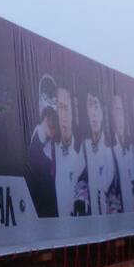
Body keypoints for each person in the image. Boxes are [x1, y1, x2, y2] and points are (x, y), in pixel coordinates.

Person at [82, 87, 115, 216]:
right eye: (90, 106)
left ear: (102, 112)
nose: (93, 113)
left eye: (96, 106)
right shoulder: (84, 148)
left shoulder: (111, 151)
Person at [54, 86, 84, 217]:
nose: (63, 115)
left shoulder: (83, 153)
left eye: (66, 108)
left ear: (73, 112)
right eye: (60, 107)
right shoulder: (51, 152)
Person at [28, 104, 58, 218]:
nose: (53, 129)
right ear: (46, 119)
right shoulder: (38, 133)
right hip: (40, 200)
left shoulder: (52, 143)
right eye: (51, 124)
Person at [109, 92, 134, 213]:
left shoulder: (133, 150)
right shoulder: (109, 151)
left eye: (120, 110)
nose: (118, 117)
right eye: (115, 111)